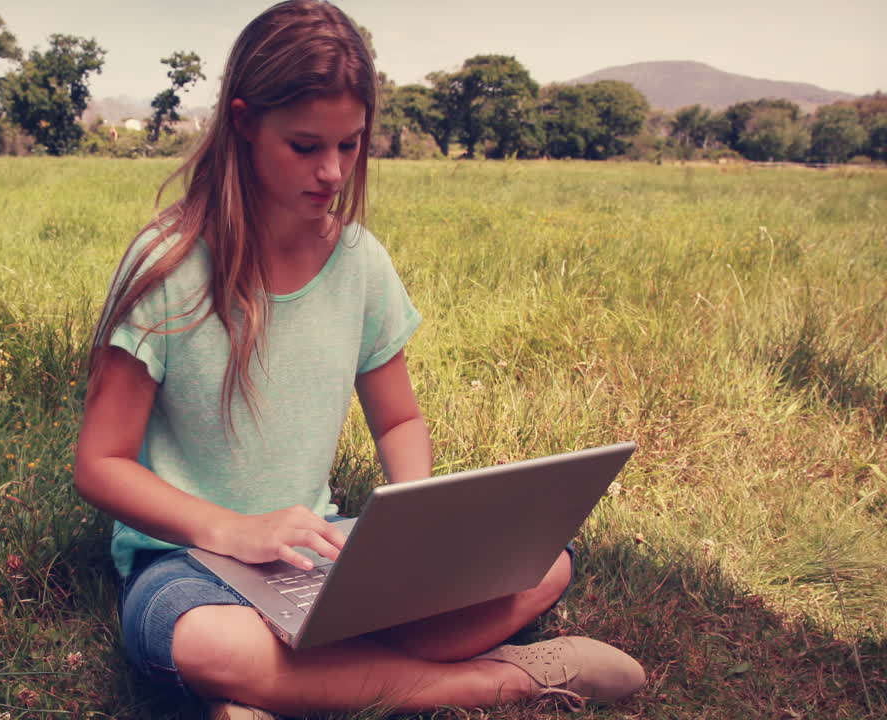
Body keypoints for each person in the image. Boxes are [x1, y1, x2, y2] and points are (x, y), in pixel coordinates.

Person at [73, 2, 646, 717]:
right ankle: (498, 680)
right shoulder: (167, 265)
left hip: (316, 554)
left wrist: (416, 527)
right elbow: (101, 463)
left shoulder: (359, 263)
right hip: (188, 561)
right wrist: (234, 530)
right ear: (245, 121)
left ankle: (277, 693)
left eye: (350, 146)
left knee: (543, 564)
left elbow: (400, 419)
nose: (333, 172)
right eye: (307, 145)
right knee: (210, 644)